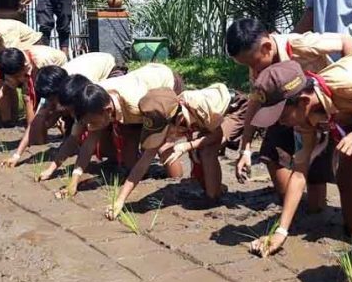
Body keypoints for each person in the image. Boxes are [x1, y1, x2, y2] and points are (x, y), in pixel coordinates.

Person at [246, 49, 352, 258]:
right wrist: (281, 232)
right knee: (344, 175)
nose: (279, 123)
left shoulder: (349, 84)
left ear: (303, 102)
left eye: (280, 115)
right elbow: (299, 172)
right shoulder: (304, 118)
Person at [226, 18, 352, 214]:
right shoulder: (258, 67)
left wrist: (349, 77)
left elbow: (346, 41)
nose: (253, 71)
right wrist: (244, 149)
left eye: (254, 64)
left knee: (316, 184)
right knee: (270, 154)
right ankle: (293, 208)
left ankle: (313, 206)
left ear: (267, 47)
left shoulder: (300, 44)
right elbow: (255, 102)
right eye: (248, 66)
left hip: (316, 113)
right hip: (283, 112)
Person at [105, 83, 248, 220]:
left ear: (177, 119)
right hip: (208, 120)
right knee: (197, 153)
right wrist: (120, 200)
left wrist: (186, 146)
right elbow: (144, 162)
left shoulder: (196, 106)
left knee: (206, 150)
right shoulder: (164, 115)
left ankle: (214, 199)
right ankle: (216, 188)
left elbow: (216, 135)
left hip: (235, 108)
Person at [54, 63, 185, 198]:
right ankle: (141, 174)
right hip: (139, 86)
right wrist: (74, 181)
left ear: (108, 111)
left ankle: (178, 184)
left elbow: (153, 141)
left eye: (92, 122)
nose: (91, 125)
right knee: (130, 145)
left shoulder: (135, 104)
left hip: (164, 85)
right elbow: (88, 145)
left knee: (162, 145)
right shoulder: (93, 101)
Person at [0, 52, 126, 168]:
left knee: (100, 119)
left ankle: (117, 155)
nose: (53, 104)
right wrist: (16, 155)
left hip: (110, 69)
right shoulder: (53, 89)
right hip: (91, 68)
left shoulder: (81, 86)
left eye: (54, 100)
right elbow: (34, 123)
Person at [0, 46, 67, 125]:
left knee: (53, 98)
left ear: (22, 69)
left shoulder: (39, 60)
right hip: (36, 68)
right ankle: (34, 128)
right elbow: (8, 84)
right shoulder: (12, 64)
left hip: (57, 63)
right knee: (28, 97)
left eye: (17, 76)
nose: (17, 79)